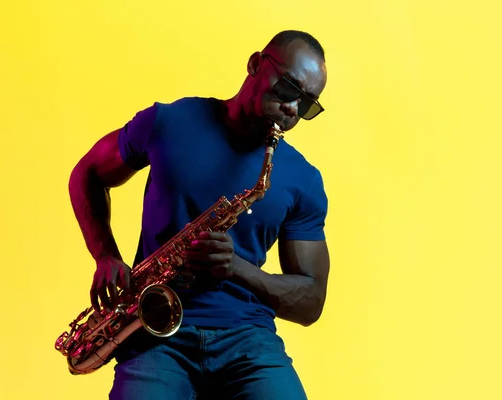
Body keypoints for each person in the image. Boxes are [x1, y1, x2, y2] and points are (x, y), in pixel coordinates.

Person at [68, 29, 331, 400]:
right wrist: (105, 256)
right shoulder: (169, 122)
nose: (292, 109)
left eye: (307, 105)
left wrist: (237, 268)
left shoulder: (302, 179)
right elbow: (89, 174)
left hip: (248, 342)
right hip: (153, 334)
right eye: (289, 89)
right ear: (256, 64)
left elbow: (310, 300)